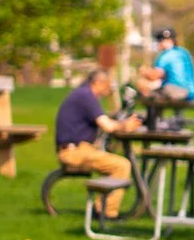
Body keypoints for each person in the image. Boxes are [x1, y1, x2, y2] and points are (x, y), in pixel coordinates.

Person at [55, 66, 142, 214]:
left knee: (117, 163)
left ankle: (102, 208)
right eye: (108, 86)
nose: (109, 91)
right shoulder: (86, 96)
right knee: (122, 165)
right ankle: (106, 212)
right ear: (98, 83)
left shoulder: (83, 93)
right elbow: (107, 125)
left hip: (77, 149)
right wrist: (124, 126)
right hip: (75, 151)